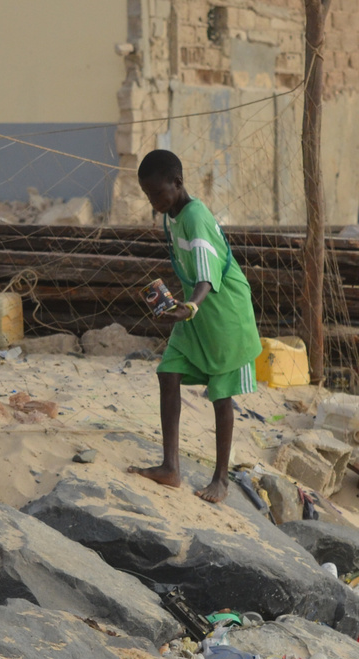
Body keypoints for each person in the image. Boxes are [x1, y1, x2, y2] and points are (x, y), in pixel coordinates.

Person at [129, 149, 262, 502]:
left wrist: (190, 305)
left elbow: (206, 275)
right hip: (196, 313)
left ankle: (221, 478)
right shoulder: (172, 216)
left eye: (158, 193)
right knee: (168, 371)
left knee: (221, 394)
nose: (153, 201)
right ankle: (170, 467)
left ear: (178, 183)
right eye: (147, 195)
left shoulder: (196, 218)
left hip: (223, 314)